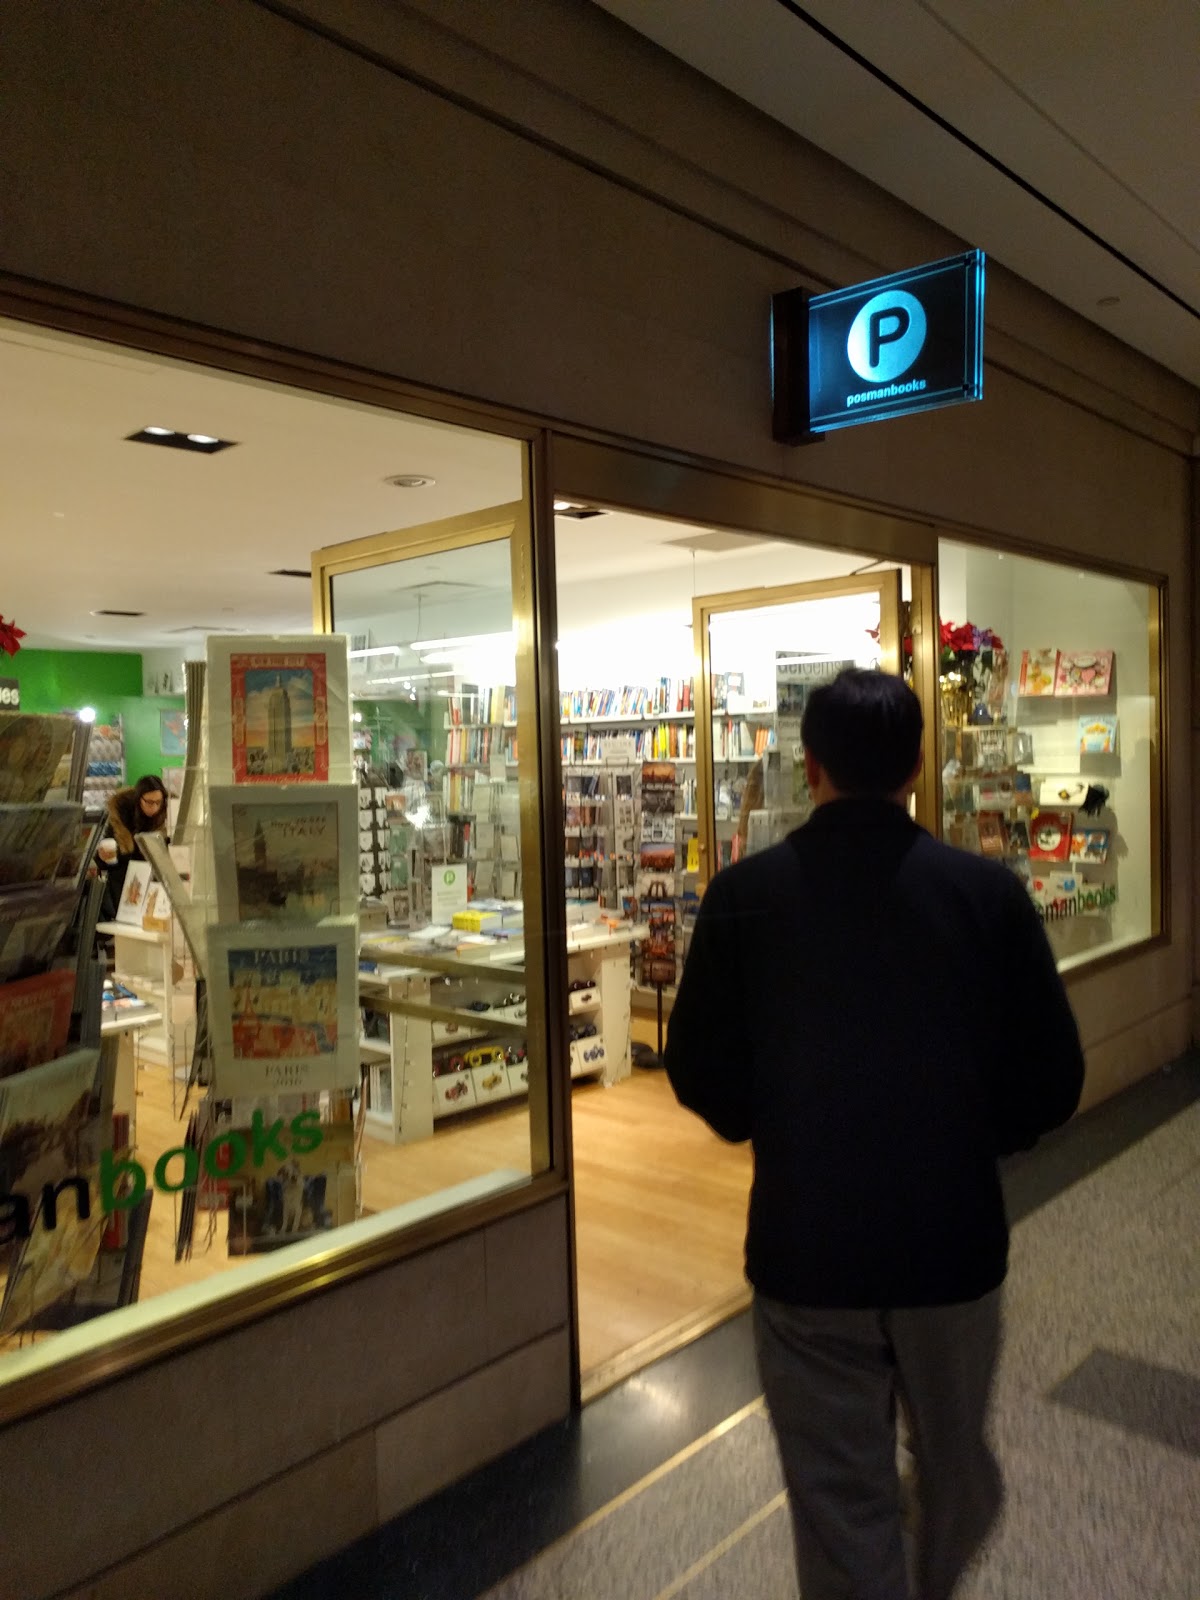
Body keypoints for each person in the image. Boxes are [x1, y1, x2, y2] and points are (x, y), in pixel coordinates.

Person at [665, 668, 1084, 1600]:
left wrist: (768, 1119)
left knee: (837, 1497)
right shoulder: (986, 896)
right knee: (954, 1466)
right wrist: (979, 1140)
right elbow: (1054, 1078)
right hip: (953, 1246)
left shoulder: (743, 897)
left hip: (806, 1246)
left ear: (809, 765)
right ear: (918, 766)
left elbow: (697, 1068)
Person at [98, 774, 170, 918]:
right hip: (124, 890)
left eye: (158, 802)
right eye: (149, 802)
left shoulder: (168, 818)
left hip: (155, 890)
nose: (154, 807)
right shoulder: (121, 818)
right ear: (139, 799)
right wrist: (104, 857)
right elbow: (108, 863)